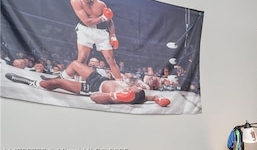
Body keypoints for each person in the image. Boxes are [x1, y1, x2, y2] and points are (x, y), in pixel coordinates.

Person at [7, 60, 170, 106]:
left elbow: (94, 97)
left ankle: (33, 83)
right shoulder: (141, 94)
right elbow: (156, 97)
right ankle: (49, 77)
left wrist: (115, 95)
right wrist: (159, 99)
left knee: (57, 83)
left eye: (137, 88)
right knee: (75, 64)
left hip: (91, 87)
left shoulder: (123, 97)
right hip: (101, 79)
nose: (137, 86)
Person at [70, 0, 123, 80]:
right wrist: (103, 18)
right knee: (81, 58)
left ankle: (120, 83)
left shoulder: (100, 4)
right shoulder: (75, 1)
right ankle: (77, 82)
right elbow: (87, 22)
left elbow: (110, 20)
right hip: (84, 30)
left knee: (110, 59)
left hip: (101, 32)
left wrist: (113, 35)